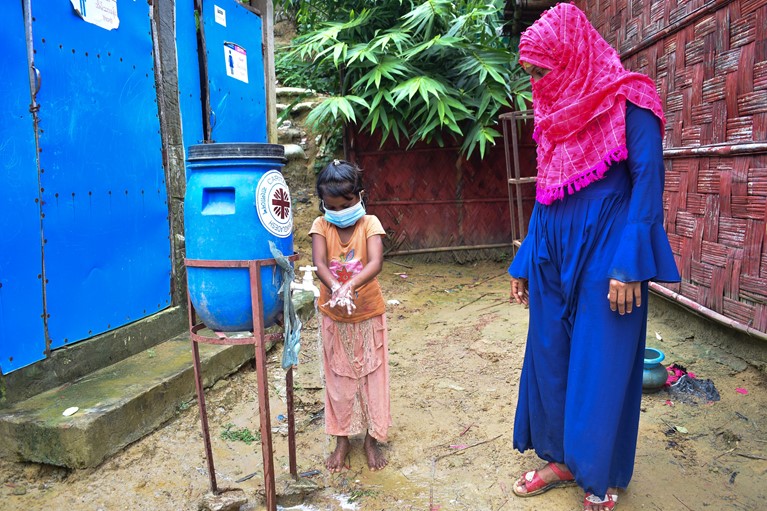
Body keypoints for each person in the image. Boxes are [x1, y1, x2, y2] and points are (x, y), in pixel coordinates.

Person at [506, 4, 681, 511]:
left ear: (571, 55)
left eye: (542, 70)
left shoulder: (632, 99)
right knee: (550, 354)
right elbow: (548, 191)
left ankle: (597, 475)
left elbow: (648, 186)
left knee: (599, 361)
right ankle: (561, 459)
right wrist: (524, 260)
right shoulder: (555, 113)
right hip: (551, 251)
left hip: (609, 249)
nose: (537, 82)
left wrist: (630, 264)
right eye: (532, 74)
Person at [309, 159, 391, 472]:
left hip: (368, 313)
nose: (339, 212)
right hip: (334, 317)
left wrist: (350, 285)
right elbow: (319, 263)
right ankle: (342, 440)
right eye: (331, 206)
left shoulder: (370, 223)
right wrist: (336, 288)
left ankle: (372, 439)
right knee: (338, 381)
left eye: (345, 205)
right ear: (323, 204)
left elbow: (375, 262)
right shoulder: (320, 226)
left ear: (359, 196)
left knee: (373, 377)